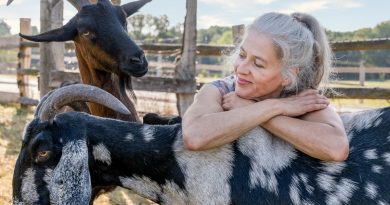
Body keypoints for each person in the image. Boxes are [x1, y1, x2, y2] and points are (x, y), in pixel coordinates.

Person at [182, 12, 349, 161]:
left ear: (288, 76)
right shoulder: (219, 90)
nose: (241, 68)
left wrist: (256, 110)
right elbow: (195, 136)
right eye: (242, 55)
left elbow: (336, 148)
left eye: (258, 64)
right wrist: (275, 107)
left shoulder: (301, 98)